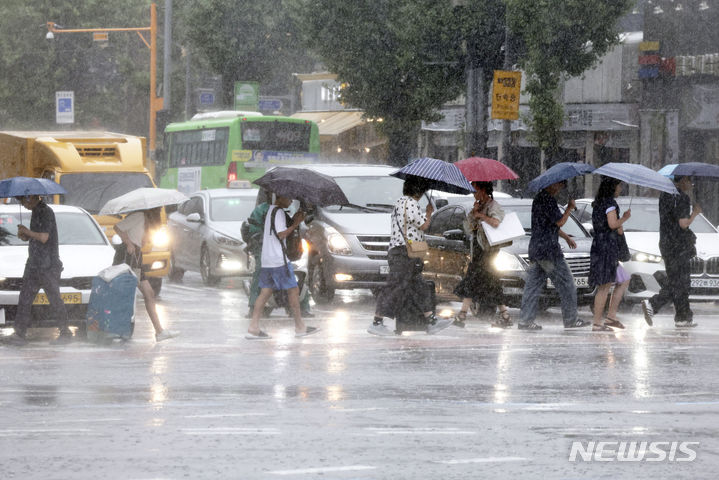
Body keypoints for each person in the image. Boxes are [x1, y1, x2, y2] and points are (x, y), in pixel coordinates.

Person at [368, 177, 453, 336]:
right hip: (404, 252)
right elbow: (424, 225)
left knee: (418, 287)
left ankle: (431, 320)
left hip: (402, 251)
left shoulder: (400, 202)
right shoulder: (410, 203)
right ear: (418, 191)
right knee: (395, 286)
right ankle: (377, 322)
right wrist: (429, 213)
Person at [518, 180, 591, 330]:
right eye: (559, 185)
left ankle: (525, 320)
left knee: (532, 286)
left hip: (537, 249)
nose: (560, 188)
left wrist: (566, 237)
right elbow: (559, 222)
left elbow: (549, 225)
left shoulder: (539, 199)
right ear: (551, 184)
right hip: (548, 251)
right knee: (567, 284)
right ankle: (571, 319)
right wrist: (569, 208)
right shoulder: (548, 200)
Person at [247, 195, 319, 339]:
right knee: (293, 290)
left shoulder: (270, 211)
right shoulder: (278, 212)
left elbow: (275, 232)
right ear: (281, 197)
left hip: (268, 259)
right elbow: (281, 234)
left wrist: (294, 219)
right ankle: (299, 327)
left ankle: (253, 326)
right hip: (278, 260)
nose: (291, 201)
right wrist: (294, 224)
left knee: (265, 292)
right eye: (289, 198)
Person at [4, 195, 71, 346]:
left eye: (24, 201)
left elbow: (44, 237)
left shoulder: (45, 212)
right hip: (35, 264)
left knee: (54, 299)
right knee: (25, 299)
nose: (23, 205)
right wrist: (25, 235)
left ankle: (65, 332)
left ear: (32, 198)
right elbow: (36, 237)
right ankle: (20, 334)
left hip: (47, 265)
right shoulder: (35, 212)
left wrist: (28, 232)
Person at [642, 175, 701, 328]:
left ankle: (683, 317)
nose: (691, 184)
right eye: (690, 181)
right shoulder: (681, 198)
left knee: (680, 281)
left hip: (666, 243)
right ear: (683, 180)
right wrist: (695, 213)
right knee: (679, 282)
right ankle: (653, 304)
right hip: (678, 246)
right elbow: (683, 224)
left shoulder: (665, 195)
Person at [453, 181, 512, 329]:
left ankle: (462, 315)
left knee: (476, 281)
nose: (474, 194)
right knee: (486, 282)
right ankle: (504, 315)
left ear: (484, 190)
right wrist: (474, 214)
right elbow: (468, 228)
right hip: (479, 250)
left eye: (476, 191)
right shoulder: (480, 206)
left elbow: (496, 222)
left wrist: (481, 215)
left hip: (489, 251)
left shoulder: (494, 206)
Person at [114, 208, 179, 342]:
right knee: (125, 294)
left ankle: (159, 331)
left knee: (149, 293)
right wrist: (129, 243)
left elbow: (136, 234)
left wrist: (142, 240)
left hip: (136, 256)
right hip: (128, 256)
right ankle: (117, 329)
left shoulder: (146, 220)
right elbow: (118, 227)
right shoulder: (139, 215)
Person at [588, 177, 631, 331]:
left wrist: (620, 223)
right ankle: (597, 323)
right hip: (606, 249)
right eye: (619, 186)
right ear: (612, 187)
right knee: (604, 286)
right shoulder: (610, 204)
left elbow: (615, 227)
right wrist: (625, 218)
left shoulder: (598, 203)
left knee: (624, 279)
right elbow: (613, 224)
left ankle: (611, 316)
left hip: (601, 246)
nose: (620, 189)